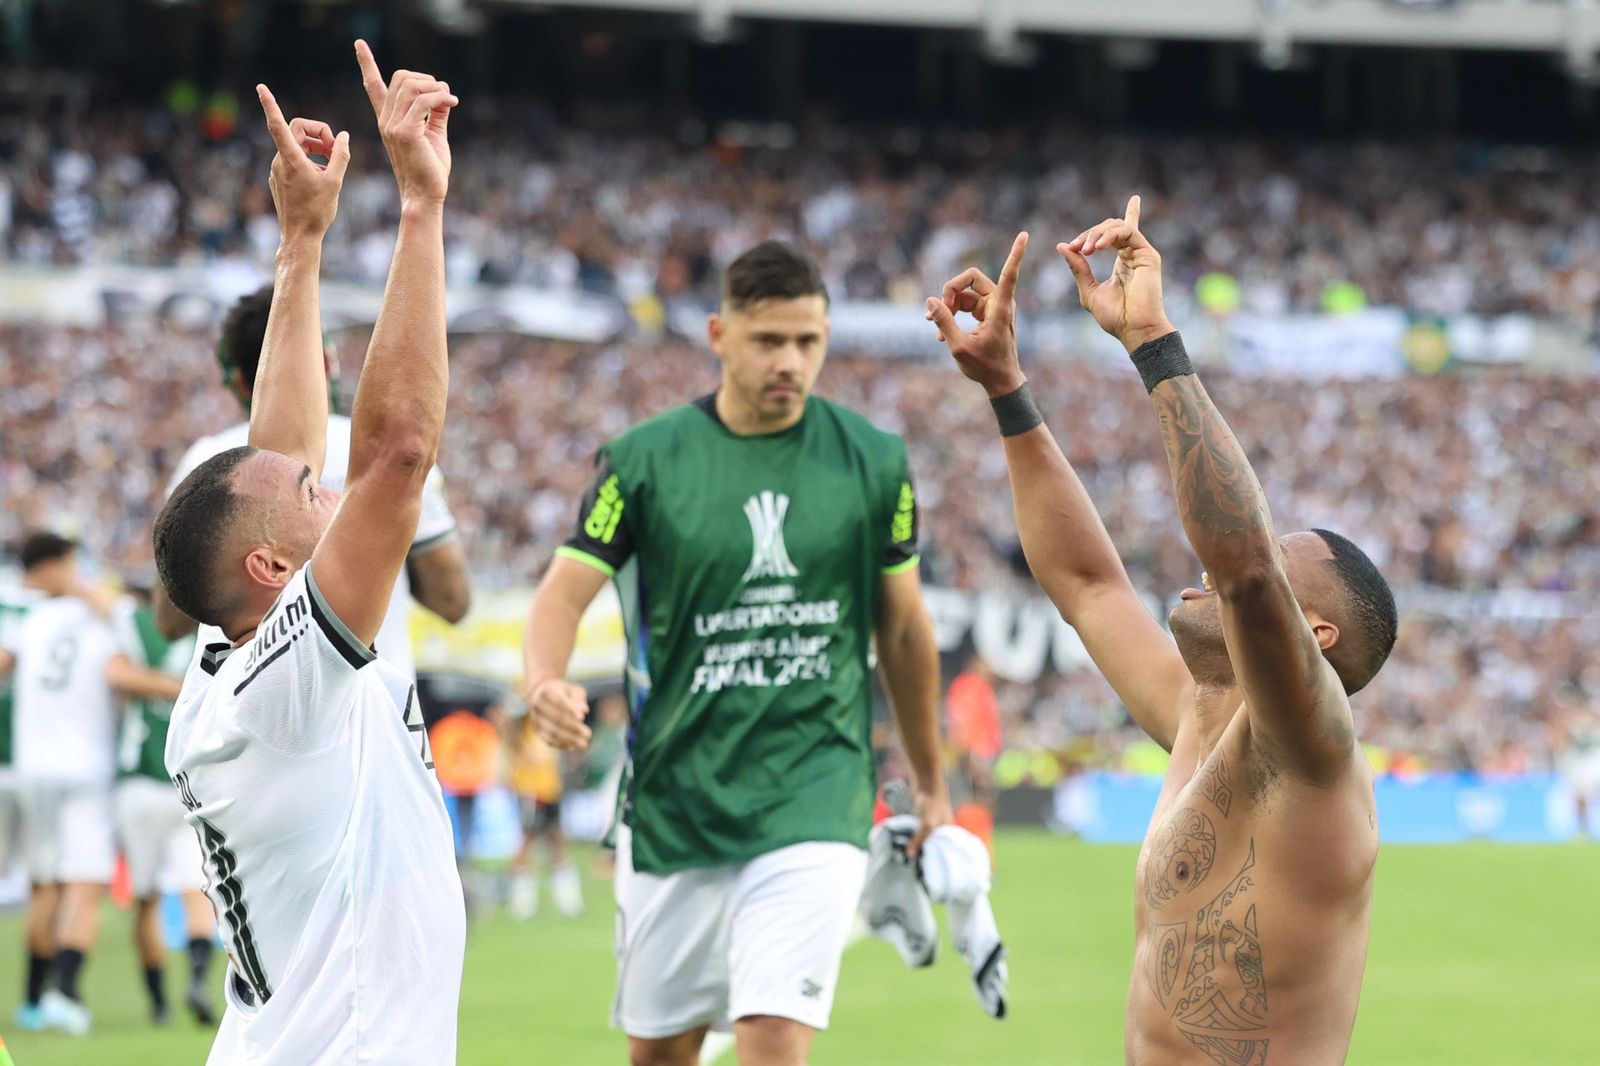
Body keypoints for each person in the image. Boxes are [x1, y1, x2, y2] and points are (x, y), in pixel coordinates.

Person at [926, 200, 1397, 1065]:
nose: (1217, 571)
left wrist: (1154, 345)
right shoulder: (1197, 710)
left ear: (1317, 638)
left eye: (1271, 558)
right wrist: (1005, 389)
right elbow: (1086, 584)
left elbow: (1247, 568)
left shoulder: (1311, 746)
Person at [525, 240, 952, 1066]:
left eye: (809, 341)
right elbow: (562, 592)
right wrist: (544, 679)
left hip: (815, 792)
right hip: (677, 799)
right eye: (769, 341)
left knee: (772, 1037)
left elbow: (902, 631)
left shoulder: (876, 462)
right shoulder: (641, 462)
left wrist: (932, 784)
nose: (791, 361)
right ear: (719, 335)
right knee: (660, 1053)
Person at [153, 45, 464, 1063]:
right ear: (271, 575)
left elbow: (279, 449)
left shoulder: (226, 668)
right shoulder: (283, 689)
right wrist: (420, 207)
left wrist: (303, 243)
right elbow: (396, 455)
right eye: (310, 499)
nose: (322, 480)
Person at [158, 287, 471, 669]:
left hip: (251, 704)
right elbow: (451, 599)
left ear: (240, 381)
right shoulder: (380, 453)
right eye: (311, 494)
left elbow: (169, 619)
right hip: (371, 704)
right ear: (325, 363)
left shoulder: (204, 462)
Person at [0, 533, 181, 1036]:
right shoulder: (104, 619)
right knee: (83, 886)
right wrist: (183, 689)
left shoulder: (31, 620)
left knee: (43, 886)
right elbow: (122, 674)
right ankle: (67, 994)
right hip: (85, 767)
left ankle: (31, 1001)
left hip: (32, 765)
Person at [111, 586, 217, 1026]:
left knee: (146, 898)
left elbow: (115, 673)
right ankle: (196, 978)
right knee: (196, 891)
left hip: (139, 781)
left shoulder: (133, 623)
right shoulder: (215, 633)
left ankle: (158, 1002)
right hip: (189, 784)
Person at [504, 710, 583, 921]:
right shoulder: (521, 705)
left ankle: (567, 897)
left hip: (551, 784)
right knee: (527, 839)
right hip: (530, 785)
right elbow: (504, 722)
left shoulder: (551, 706)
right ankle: (522, 898)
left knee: (557, 838)